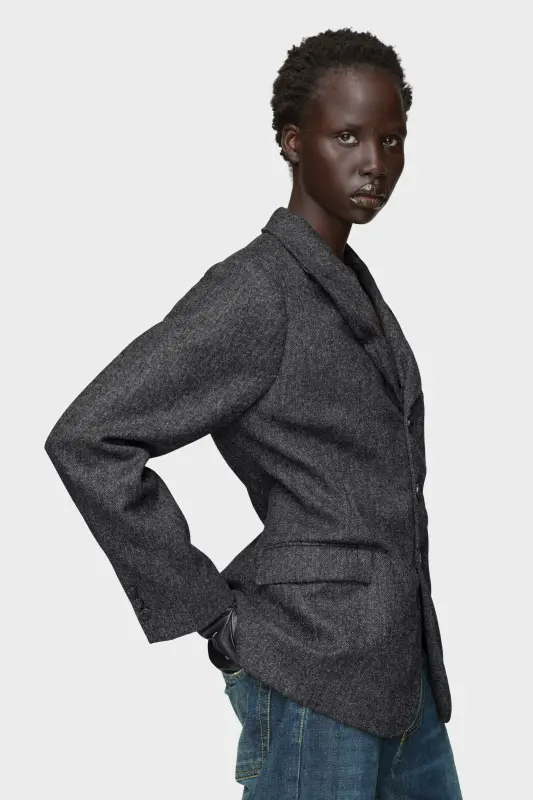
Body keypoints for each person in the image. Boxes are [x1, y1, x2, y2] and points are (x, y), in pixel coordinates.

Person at [44, 27, 462, 799]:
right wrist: (210, 614)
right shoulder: (256, 292)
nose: (374, 162)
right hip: (311, 677)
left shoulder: (346, 282)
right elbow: (89, 437)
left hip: (403, 681)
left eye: (391, 139)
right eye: (347, 136)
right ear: (292, 141)